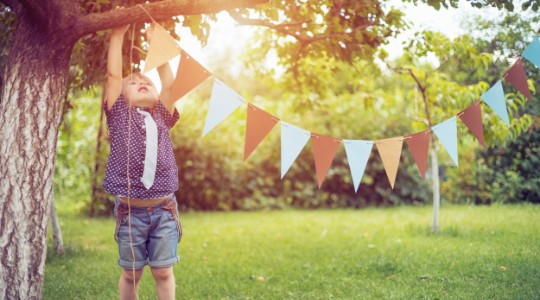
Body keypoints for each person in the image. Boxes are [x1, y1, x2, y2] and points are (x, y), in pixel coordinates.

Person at [104, 21, 182, 300]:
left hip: (164, 211)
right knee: (131, 273)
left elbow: (170, 82)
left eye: (146, 82)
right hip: (130, 214)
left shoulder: (162, 114)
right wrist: (117, 33)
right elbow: (114, 77)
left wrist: (158, 46)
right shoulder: (118, 114)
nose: (142, 82)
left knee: (163, 272)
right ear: (122, 97)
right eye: (134, 83)